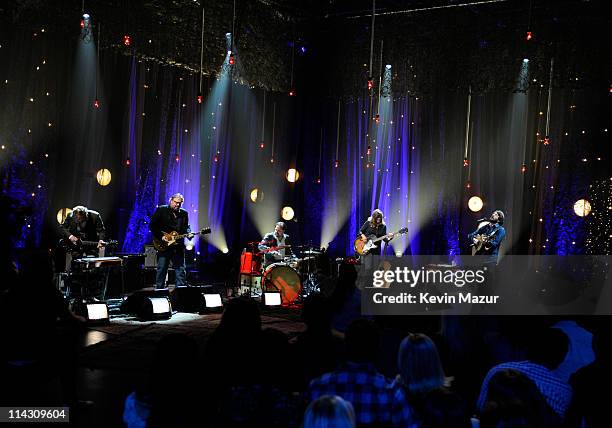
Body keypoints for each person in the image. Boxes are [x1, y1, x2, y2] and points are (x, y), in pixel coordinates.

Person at [149, 193, 192, 289]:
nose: (177, 205)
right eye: (175, 202)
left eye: (179, 203)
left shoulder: (184, 213)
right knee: (162, 269)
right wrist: (161, 237)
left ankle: (180, 293)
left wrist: (189, 233)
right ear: (171, 201)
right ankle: (159, 291)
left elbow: (186, 227)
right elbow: (152, 226)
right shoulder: (162, 210)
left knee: (180, 270)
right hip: (164, 246)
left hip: (178, 247)